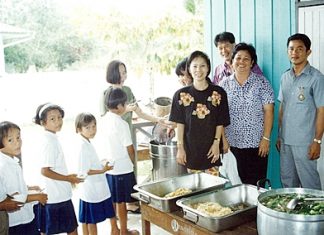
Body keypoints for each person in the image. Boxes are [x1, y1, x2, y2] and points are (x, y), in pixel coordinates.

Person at [219, 43, 275, 185]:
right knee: (234, 186)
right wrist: (223, 140)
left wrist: (266, 139)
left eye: (246, 59)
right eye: (238, 58)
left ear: (252, 63)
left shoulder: (262, 82)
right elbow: (218, 116)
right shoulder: (223, 85)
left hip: (257, 144)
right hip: (232, 145)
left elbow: (269, 111)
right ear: (232, 61)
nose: (241, 62)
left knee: (255, 185)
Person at [169, 50, 230, 174]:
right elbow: (180, 123)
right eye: (195, 66)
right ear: (189, 69)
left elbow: (220, 121)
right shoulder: (181, 94)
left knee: (213, 189)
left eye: (202, 66)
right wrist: (180, 148)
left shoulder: (218, 92)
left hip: (212, 149)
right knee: (194, 190)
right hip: (190, 150)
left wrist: (216, 143)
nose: (198, 70)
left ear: (208, 68)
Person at [277, 33, 324, 190]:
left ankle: (318, 215)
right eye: (291, 49)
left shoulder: (316, 78)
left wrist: (317, 141)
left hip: (305, 143)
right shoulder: (285, 77)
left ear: (308, 52)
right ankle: (291, 214)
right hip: (285, 141)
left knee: (309, 184)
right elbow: (282, 107)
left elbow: (321, 110)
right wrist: (279, 135)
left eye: (299, 49)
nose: (294, 53)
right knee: (288, 182)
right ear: (287, 51)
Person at [33, 103, 82, 235]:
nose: (58, 122)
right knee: (71, 230)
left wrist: (68, 177)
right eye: (52, 119)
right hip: (56, 196)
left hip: (56, 194)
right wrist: (68, 178)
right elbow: (45, 170)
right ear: (43, 122)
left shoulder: (51, 138)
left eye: (60, 117)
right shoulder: (49, 142)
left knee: (52, 230)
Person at [100, 88, 139, 235]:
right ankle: (124, 231)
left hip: (108, 168)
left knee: (112, 200)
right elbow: (129, 148)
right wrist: (133, 162)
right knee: (122, 202)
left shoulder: (103, 120)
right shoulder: (121, 124)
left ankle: (114, 229)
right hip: (122, 168)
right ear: (119, 106)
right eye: (125, 103)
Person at [75, 113, 119, 235]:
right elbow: (86, 170)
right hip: (91, 188)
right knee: (91, 221)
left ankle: (115, 230)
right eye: (87, 127)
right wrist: (103, 170)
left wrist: (101, 164)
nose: (92, 130)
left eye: (94, 126)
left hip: (92, 188)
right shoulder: (83, 146)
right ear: (79, 129)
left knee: (88, 219)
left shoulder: (86, 142)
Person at [0, 121, 48, 235]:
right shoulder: (6, 166)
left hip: (19, 219)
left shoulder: (9, 160)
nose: (17, 142)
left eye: (18, 137)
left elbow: (8, 187)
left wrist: (29, 187)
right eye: (10, 140)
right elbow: (14, 198)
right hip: (19, 221)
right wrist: (37, 196)